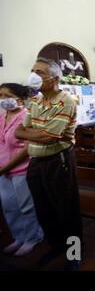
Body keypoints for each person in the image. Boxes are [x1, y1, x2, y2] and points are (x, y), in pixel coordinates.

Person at [15, 57, 82, 270]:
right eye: (33, 70)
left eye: (40, 72)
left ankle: (74, 254)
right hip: (36, 162)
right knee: (43, 209)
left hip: (58, 161)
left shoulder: (66, 101)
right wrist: (37, 133)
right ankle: (57, 246)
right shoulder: (34, 101)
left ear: (55, 78)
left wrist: (33, 133)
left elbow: (50, 137)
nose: (34, 75)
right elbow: (18, 131)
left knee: (66, 210)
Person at [0, 83, 43, 256]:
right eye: (0, 95)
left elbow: (27, 148)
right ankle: (19, 236)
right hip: (2, 170)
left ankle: (33, 237)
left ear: (19, 99)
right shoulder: (2, 117)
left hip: (20, 169)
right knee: (9, 206)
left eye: (5, 95)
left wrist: (6, 168)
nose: (2, 99)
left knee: (26, 206)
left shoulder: (27, 117)